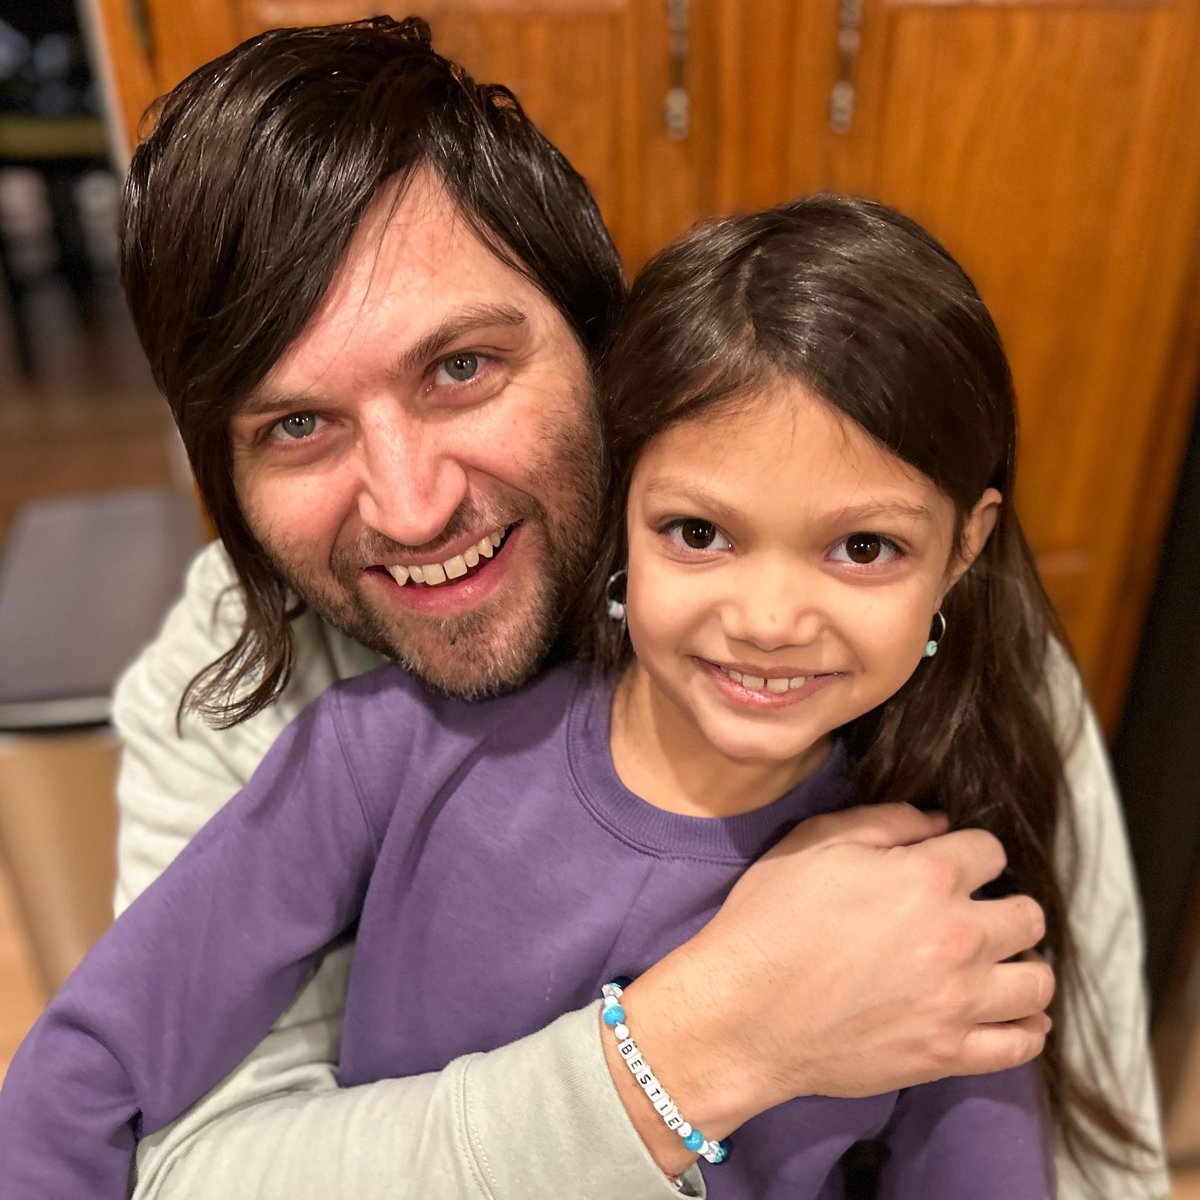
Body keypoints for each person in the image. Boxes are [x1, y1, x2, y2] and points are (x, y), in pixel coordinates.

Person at [95, 16, 1161, 1200]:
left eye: (462, 367)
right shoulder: (244, 685)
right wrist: (695, 1049)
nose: (408, 507)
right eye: (296, 425)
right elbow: (174, 1158)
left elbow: (1089, 1152)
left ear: (605, 351)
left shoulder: (940, 658)